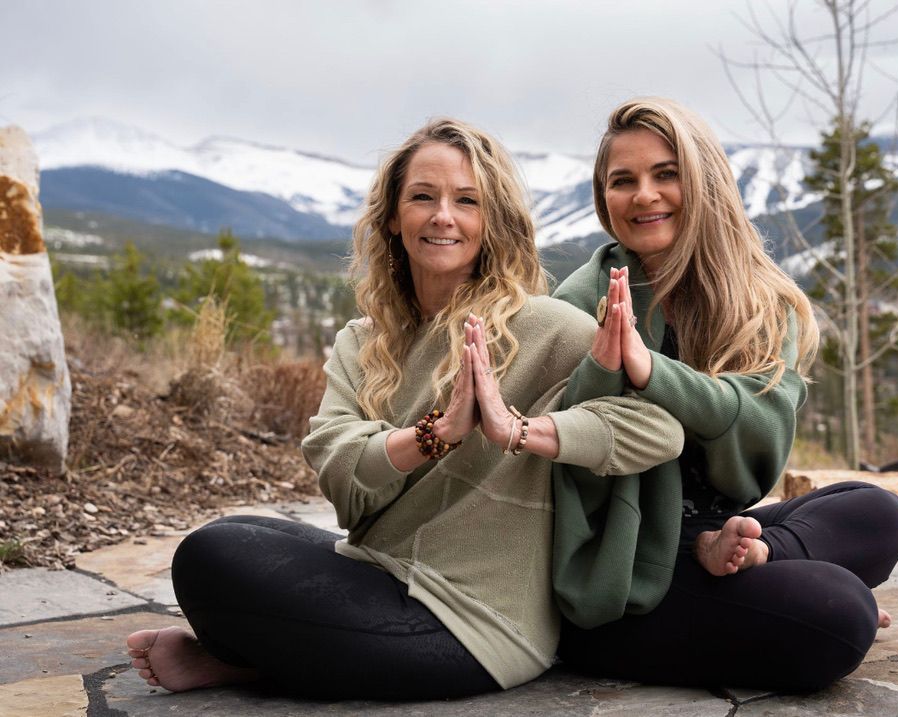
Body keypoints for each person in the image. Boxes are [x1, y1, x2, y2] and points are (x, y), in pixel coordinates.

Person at [125, 118, 683, 700]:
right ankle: (259, 659)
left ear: (490, 221)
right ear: (393, 216)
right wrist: (434, 434)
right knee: (229, 537)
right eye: (423, 197)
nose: (444, 215)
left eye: (467, 200)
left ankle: (245, 660)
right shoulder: (362, 341)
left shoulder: (548, 327)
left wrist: (520, 430)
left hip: (474, 624)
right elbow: (340, 476)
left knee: (213, 560)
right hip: (381, 574)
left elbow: (658, 429)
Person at [552, 97, 898, 693]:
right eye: (624, 180)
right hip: (623, 564)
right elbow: (567, 466)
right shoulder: (580, 304)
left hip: (718, 527)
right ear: (603, 197)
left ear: (704, 181)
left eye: (666, 174)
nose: (644, 194)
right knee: (841, 613)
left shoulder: (755, 299)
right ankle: (760, 585)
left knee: (879, 513)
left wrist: (652, 373)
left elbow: (760, 441)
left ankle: (758, 555)